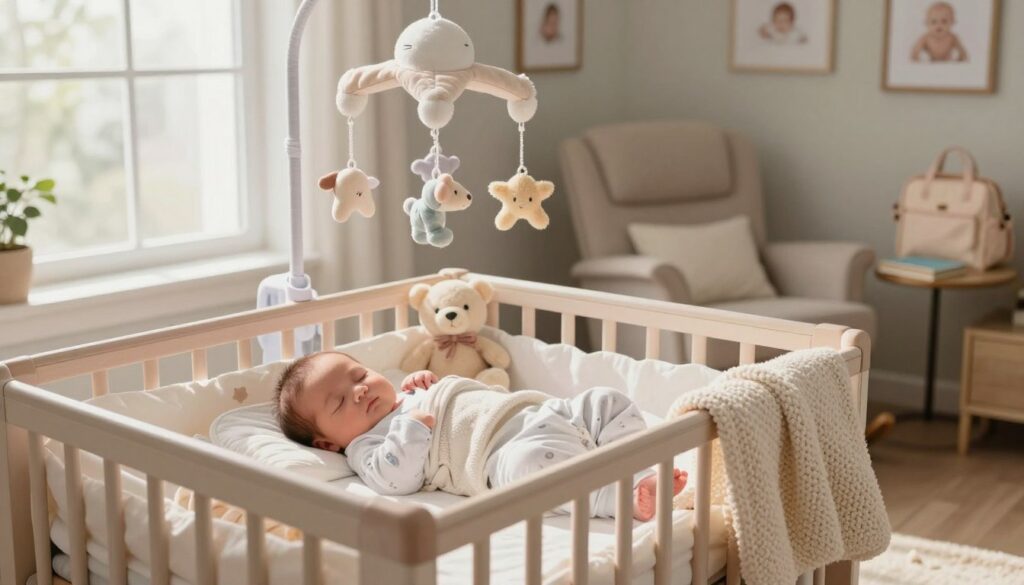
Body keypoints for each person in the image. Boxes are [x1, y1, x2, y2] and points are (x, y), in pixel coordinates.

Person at [274, 351, 687, 520]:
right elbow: (395, 478)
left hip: (540, 413)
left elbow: (451, 399)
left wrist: (425, 385)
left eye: (359, 375)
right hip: (503, 453)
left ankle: (637, 459)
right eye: (339, 401)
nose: (360, 389)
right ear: (329, 443)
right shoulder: (365, 447)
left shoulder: (404, 394)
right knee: (535, 471)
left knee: (604, 400)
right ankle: (622, 496)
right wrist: (410, 424)